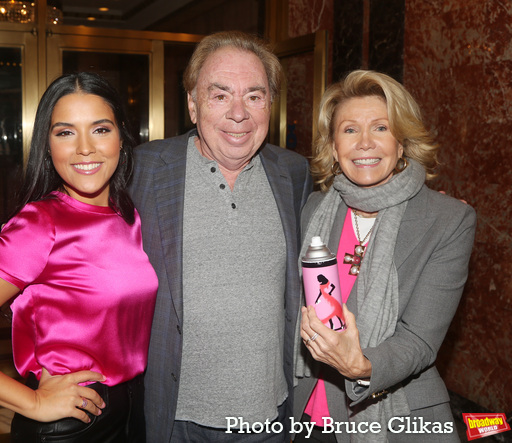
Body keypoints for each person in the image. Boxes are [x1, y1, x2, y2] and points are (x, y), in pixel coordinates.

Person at [0, 72, 158, 443]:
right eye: (65, 132)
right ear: (47, 145)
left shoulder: (130, 215)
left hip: (132, 412)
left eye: (101, 129)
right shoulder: (41, 225)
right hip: (72, 426)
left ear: (122, 138)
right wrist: (31, 402)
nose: (85, 148)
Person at [129, 31, 313, 442]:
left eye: (254, 96)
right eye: (219, 95)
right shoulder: (142, 171)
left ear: (270, 104)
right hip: (175, 418)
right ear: (193, 105)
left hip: (269, 415)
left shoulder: (294, 173)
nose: (238, 114)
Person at [293, 70, 476, 443]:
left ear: (402, 141)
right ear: (332, 146)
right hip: (308, 413)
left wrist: (361, 367)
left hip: (395, 420)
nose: (364, 143)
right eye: (349, 130)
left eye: (380, 128)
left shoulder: (447, 219)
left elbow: (419, 341)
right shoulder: (314, 208)